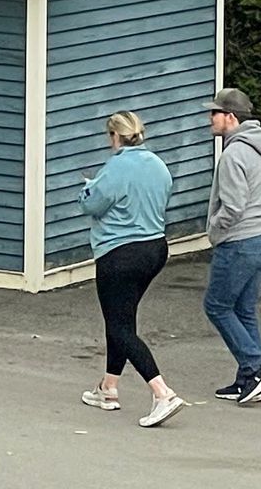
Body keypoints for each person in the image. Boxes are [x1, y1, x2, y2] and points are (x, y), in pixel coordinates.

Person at [77, 110, 185, 427]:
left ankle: (161, 392)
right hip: (155, 248)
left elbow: (91, 204)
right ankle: (108, 388)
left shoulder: (116, 167)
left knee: (119, 326)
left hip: (119, 253)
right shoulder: (158, 165)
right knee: (122, 318)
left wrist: (87, 189)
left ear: (115, 136)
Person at [203, 86, 261, 405]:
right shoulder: (258, 148)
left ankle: (255, 366)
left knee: (217, 306)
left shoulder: (233, 154)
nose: (210, 118)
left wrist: (215, 231)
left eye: (215, 113)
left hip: (239, 242)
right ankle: (249, 380)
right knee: (244, 309)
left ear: (230, 117)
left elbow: (232, 207)